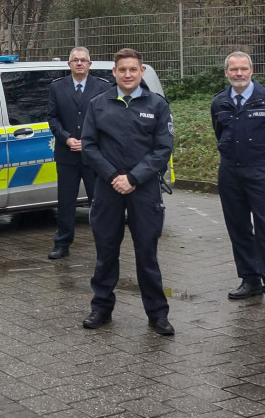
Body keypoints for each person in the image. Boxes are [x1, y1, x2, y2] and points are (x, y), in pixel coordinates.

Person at [80, 48, 175, 336]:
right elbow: (89, 146)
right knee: (106, 251)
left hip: (144, 190)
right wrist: (113, 176)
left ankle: (157, 314)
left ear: (142, 71)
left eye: (133, 69)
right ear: (114, 72)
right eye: (122, 70)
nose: (128, 74)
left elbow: (162, 148)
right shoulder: (98, 104)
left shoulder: (157, 105)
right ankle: (102, 308)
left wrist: (133, 177)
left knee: (147, 252)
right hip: (108, 189)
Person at [211, 52, 265, 314]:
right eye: (233, 69)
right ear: (226, 72)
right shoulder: (219, 102)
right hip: (230, 172)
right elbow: (219, 132)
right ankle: (250, 280)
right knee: (238, 227)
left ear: (252, 70)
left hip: (261, 172)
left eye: (243, 69)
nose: (239, 73)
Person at [46, 47, 111, 260]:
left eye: (83, 60)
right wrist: (66, 138)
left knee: (99, 202)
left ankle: (104, 244)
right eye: (75, 60)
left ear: (90, 64)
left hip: (93, 156)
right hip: (67, 155)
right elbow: (52, 118)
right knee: (65, 202)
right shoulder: (57, 88)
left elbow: (107, 119)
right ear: (69, 65)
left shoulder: (102, 87)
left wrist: (88, 141)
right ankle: (62, 244)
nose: (80, 63)